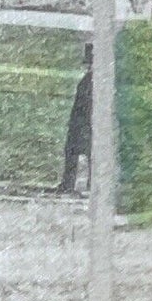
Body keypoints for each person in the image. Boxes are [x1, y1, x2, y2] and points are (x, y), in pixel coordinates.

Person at [56, 42, 93, 194]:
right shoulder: (90, 80)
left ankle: (69, 184)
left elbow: (84, 106)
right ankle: (76, 184)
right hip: (84, 124)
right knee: (87, 154)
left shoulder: (88, 81)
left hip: (83, 125)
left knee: (75, 152)